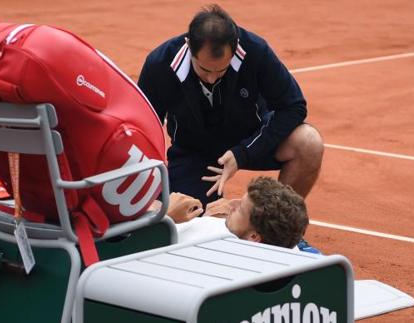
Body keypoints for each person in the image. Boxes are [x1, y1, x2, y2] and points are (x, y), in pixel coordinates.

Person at [138, 4, 323, 207]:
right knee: (187, 217)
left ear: (235, 48)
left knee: (309, 143)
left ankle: (281, 233)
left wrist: (243, 153)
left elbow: (293, 106)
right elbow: (143, 129)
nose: (211, 77)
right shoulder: (160, 64)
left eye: (221, 70)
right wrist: (154, 193)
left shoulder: (255, 50)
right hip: (194, 150)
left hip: (251, 138)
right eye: (204, 68)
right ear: (189, 45)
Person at [160, 177, 308, 249]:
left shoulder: (201, 243)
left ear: (254, 236)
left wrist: (166, 217)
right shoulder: (289, 248)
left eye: (240, 208)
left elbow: (141, 245)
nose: (230, 204)